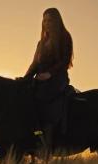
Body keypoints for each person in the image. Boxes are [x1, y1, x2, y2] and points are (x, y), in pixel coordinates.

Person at [21, 8, 74, 154]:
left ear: (57, 21)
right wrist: (24, 79)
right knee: (23, 98)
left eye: (50, 20)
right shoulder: (41, 43)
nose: (47, 23)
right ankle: (33, 136)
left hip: (57, 79)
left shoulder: (65, 37)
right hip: (40, 79)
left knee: (45, 99)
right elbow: (34, 64)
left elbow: (65, 61)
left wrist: (49, 74)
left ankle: (47, 143)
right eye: (44, 20)